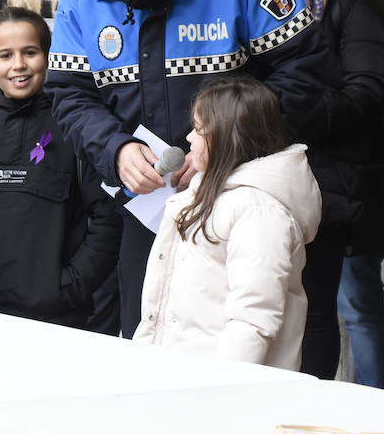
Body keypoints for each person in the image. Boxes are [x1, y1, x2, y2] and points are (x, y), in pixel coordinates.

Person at [47, 0, 330, 345]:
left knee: (246, 339)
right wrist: (114, 149)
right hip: (147, 208)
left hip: (241, 201)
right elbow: (69, 95)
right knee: (149, 334)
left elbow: (306, 73)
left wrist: (225, 145)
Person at [263, 0, 384, 388]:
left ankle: (377, 402)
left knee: (357, 299)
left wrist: (292, 112)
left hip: (350, 180)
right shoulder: (267, 4)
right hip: (293, 178)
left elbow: (369, 90)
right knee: (303, 300)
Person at [0, 7, 121, 327]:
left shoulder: (74, 130)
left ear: (49, 56)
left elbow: (108, 219)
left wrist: (69, 288)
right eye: (5, 55)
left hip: (59, 319)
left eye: (30, 52)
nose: (19, 65)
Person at [136, 78, 322, 369]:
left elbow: (253, 316)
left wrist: (221, 385)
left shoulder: (260, 214)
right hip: (178, 376)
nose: (189, 139)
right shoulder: (199, 196)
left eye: (198, 130)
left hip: (218, 388)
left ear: (225, 137)